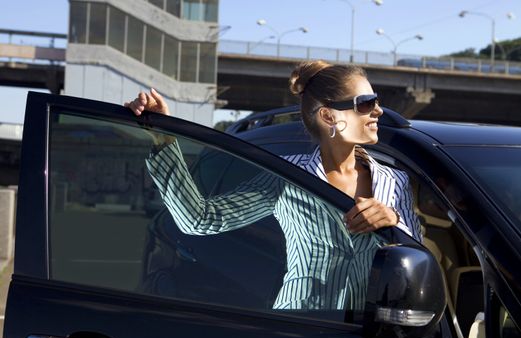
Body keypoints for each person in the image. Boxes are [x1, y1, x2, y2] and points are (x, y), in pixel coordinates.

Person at [125, 60, 421, 311]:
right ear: (330, 115)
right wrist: (163, 138)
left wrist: (392, 220)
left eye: (377, 101)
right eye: (366, 104)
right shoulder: (287, 176)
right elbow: (200, 219)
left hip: (369, 332)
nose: (379, 110)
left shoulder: (395, 181)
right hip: (299, 328)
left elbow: (419, 259)